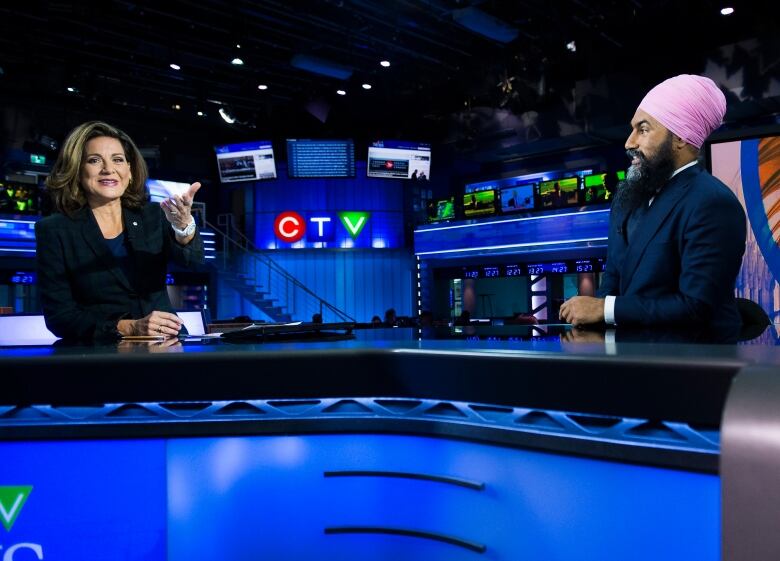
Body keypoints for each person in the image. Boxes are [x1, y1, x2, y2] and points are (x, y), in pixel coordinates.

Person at [560, 75, 746, 329]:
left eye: (643, 130)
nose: (629, 142)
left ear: (680, 138)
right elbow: (612, 281)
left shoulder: (713, 202)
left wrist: (605, 309)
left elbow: (696, 306)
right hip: (631, 357)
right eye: (632, 129)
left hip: (693, 362)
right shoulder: (626, 200)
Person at [35, 121, 205, 340]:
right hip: (99, 355)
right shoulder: (54, 230)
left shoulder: (154, 215)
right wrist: (128, 327)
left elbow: (194, 264)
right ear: (77, 170)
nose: (109, 169)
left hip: (166, 345)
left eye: (117, 160)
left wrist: (183, 226)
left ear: (130, 171)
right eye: (94, 160)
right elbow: (60, 317)